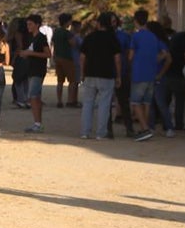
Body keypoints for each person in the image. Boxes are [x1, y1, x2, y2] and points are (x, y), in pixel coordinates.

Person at [127, 9, 170, 142]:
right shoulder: (153, 37)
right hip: (151, 74)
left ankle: (145, 128)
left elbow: (130, 56)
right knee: (146, 102)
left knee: (135, 102)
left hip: (139, 73)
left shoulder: (136, 36)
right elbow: (164, 53)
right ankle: (146, 128)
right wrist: (154, 59)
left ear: (135, 21)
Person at [78, 12, 122, 140]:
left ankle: (85, 132)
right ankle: (100, 133)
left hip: (90, 73)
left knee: (88, 103)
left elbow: (82, 57)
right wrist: (118, 75)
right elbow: (117, 58)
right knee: (104, 104)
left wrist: (82, 73)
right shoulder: (113, 38)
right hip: (106, 75)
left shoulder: (89, 37)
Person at [19, 14, 51, 133]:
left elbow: (48, 54)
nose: (28, 26)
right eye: (27, 24)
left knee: (33, 96)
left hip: (38, 70)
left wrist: (31, 54)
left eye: (30, 24)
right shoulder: (33, 37)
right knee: (35, 97)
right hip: (32, 69)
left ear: (37, 25)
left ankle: (37, 123)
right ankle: (37, 122)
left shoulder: (41, 37)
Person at [53, 12, 78, 108]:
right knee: (71, 80)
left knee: (60, 81)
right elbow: (73, 44)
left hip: (58, 57)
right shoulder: (67, 33)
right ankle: (70, 100)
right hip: (67, 57)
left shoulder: (56, 32)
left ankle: (59, 100)